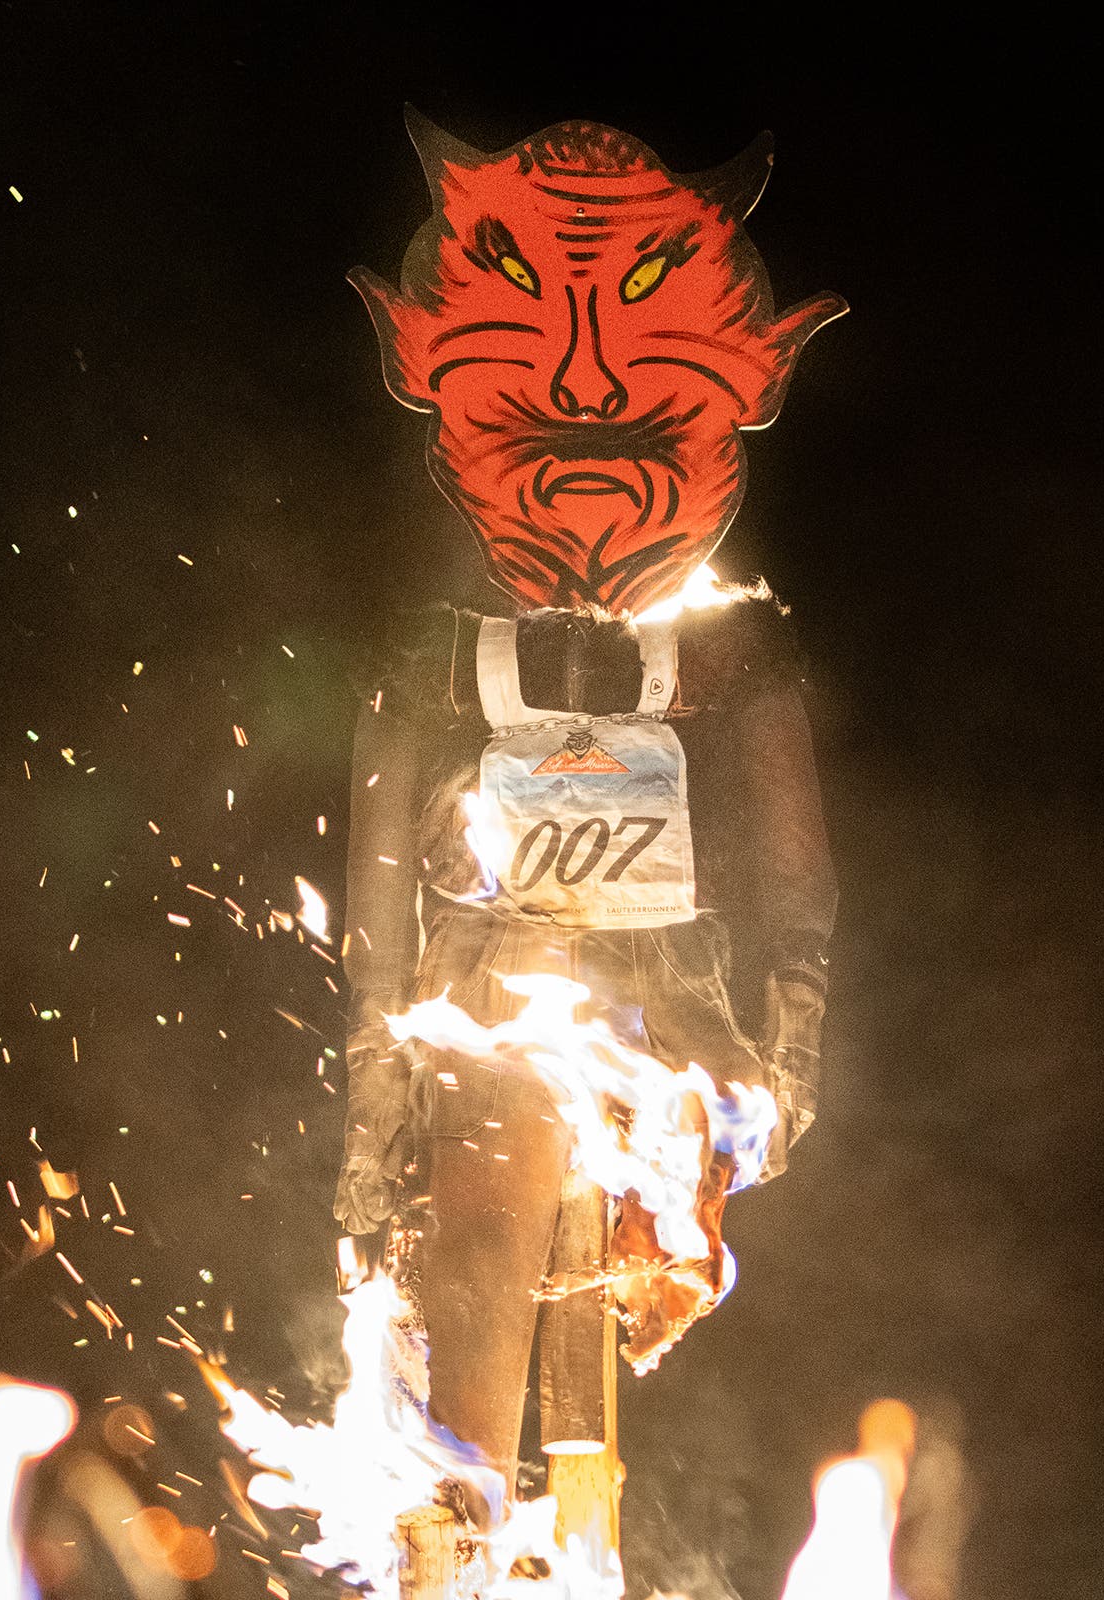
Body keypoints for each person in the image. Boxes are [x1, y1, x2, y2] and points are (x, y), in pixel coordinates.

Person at [335, 112, 841, 1505]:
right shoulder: (430, 651)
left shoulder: (738, 649)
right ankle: (457, 1530)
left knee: (639, 1283)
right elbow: (377, 880)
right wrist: (377, 1084)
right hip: (487, 982)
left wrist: (783, 1054)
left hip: (670, 994)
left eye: (645, 367)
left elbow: (797, 878)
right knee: (486, 1244)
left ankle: (537, 1526)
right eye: (521, 367)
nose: (583, 387)